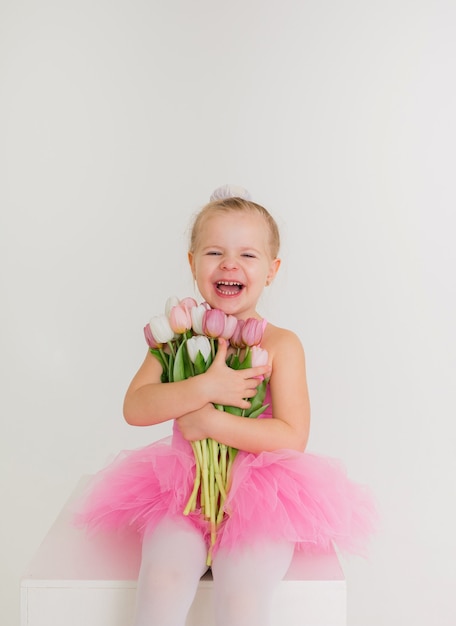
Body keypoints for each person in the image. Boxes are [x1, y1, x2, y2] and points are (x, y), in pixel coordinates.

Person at [76, 185, 377, 626]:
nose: (230, 264)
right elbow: (136, 407)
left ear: (272, 270)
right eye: (214, 252)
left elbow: (292, 435)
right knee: (161, 579)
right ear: (192, 263)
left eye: (248, 256)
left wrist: (210, 421)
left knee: (242, 597)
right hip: (185, 493)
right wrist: (206, 385)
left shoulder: (280, 345)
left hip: (257, 501)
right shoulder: (176, 338)